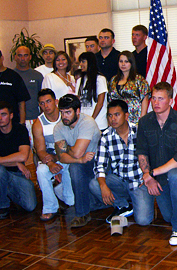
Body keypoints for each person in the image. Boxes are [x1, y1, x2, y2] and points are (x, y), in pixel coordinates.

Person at [136, 82, 177, 245]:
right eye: (153, 98)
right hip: (157, 173)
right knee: (169, 215)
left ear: (171, 100)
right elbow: (141, 151)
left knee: (175, 176)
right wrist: (147, 175)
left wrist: (152, 173)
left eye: (160, 99)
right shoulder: (144, 122)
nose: (155, 103)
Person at [89, 99, 148, 224]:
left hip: (140, 183)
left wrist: (149, 176)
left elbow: (152, 158)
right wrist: (103, 186)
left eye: (117, 115)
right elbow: (99, 165)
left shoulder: (140, 132)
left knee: (143, 220)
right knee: (95, 184)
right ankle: (122, 205)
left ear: (126, 115)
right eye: (110, 115)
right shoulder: (106, 136)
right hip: (119, 181)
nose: (112, 119)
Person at [54, 94, 101, 228]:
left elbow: (76, 152)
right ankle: (82, 214)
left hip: (99, 162)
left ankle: (94, 205)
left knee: (74, 167)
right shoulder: (58, 128)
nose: (64, 116)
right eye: (62, 112)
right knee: (74, 167)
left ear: (78, 111)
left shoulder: (87, 122)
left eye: (68, 112)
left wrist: (68, 149)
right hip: (82, 162)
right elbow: (61, 157)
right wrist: (79, 159)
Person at [33, 89, 74, 221]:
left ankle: (69, 200)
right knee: (41, 171)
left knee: (69, 166)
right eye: (42, 103)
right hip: (50, 159)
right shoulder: (38, 124)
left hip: (68, 155)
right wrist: (50, 164)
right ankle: (50, 208)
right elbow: (40, 150)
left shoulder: (66, 116)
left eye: (48, 101)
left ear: (56, 101)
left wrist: (58, 158)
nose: (46, 106)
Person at [0, 101, 37, 220]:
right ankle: (3, 205)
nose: (0, 118)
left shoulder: (20, 130)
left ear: (11, 115)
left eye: (3, 114)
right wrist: (16, 162)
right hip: (1, 172)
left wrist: (18, 162)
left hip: (18, 174)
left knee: (30, 206)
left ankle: (5, 190)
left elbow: (23, 156)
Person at [108, 51, 150, 125]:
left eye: (126, 61)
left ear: (131, 63)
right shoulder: (113, 80)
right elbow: (109, 101)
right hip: (117, 118)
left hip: (135, 118)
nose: (123, 64)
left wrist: (142, 120)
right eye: (121, 61)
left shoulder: (139, 80)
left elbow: (145, 99)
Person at [14, 46, 44, 147]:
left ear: (30, 57)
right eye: (20, 55)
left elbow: (42, 98)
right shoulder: (10, 75)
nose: (23, 58)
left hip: (34, 118)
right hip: (15, 120)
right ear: (15, 57)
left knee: (37, 148)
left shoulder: (37, 76)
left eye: (25, 55)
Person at [0, 48, 30, 125]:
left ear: (2, 58)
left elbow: (22, 102)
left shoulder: (13, 76)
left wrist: (22, 123)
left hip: (12, 124)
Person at [76, 52, 108, 130]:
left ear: (90, 63)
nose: (81, 64)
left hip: (99, 124)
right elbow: (78, 101)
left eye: (83, 61)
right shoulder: (79, 80)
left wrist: (91, 120)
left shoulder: (100, 79)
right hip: (83, 124)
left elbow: (100, 103)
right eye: (80, 62)